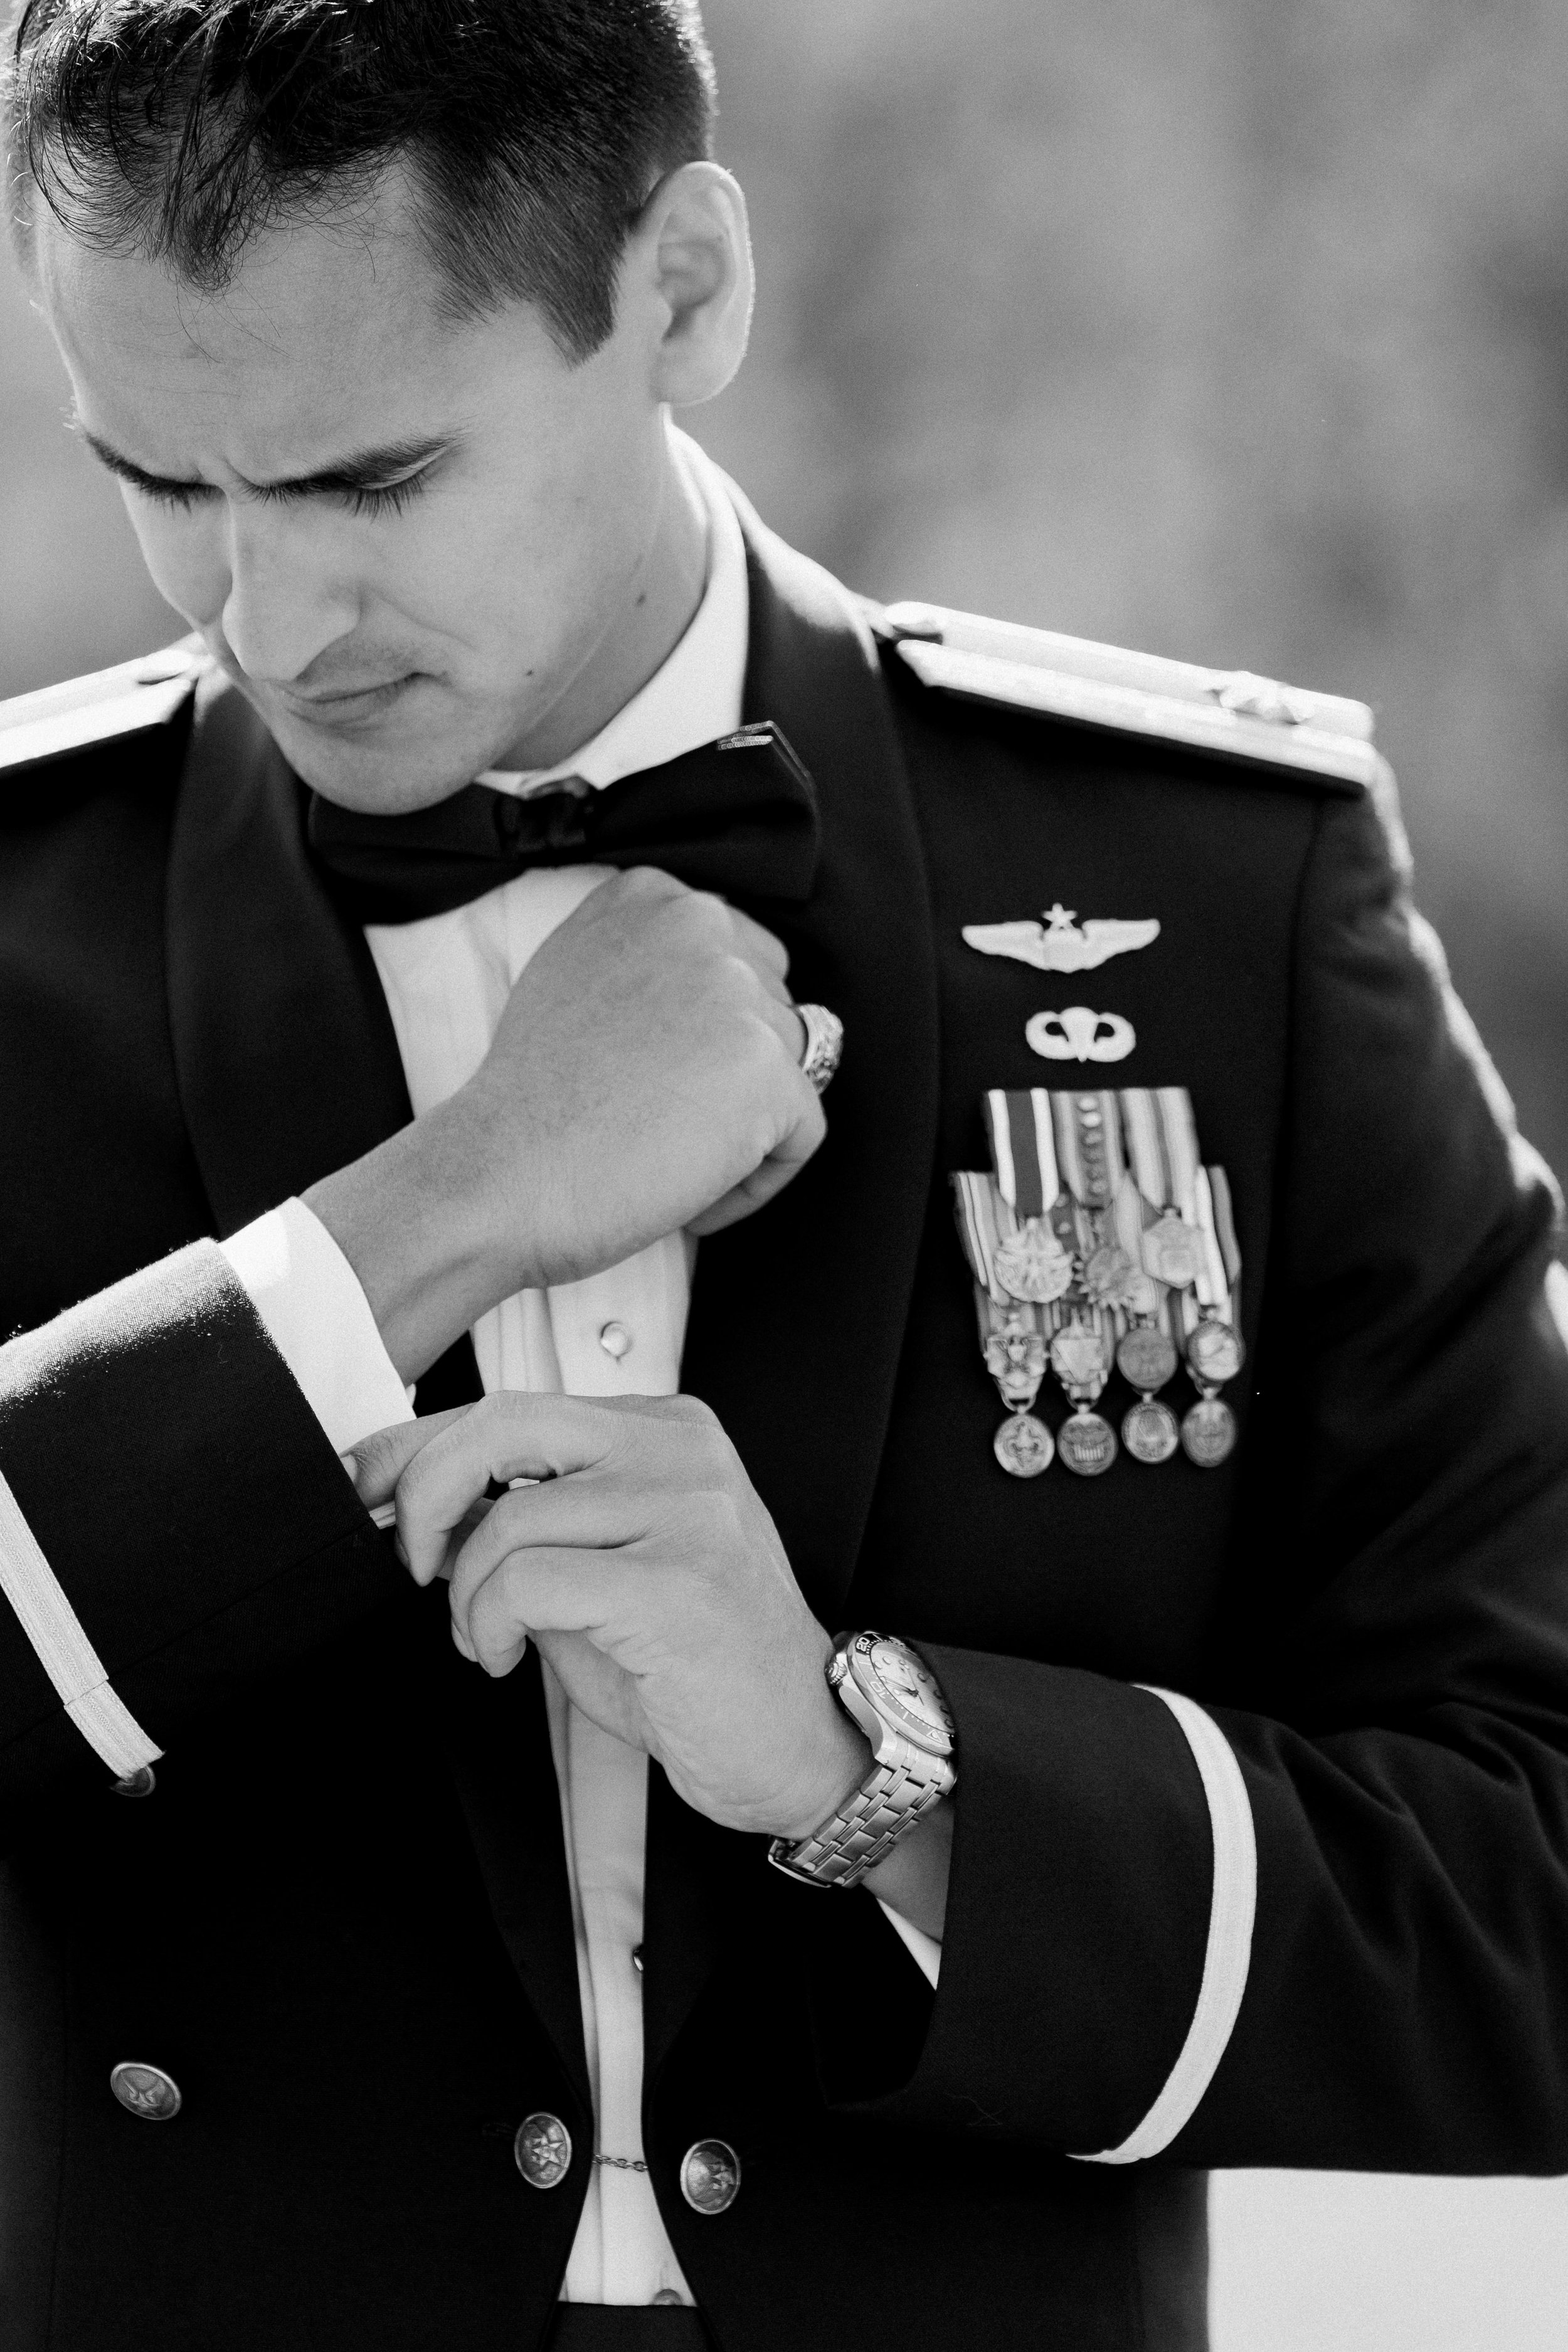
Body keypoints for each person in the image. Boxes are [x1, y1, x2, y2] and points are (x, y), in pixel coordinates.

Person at [2, 4, 1567, 2347]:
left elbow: (1530, 1889)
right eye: (162, 477)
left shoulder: (1216, 894)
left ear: (686, 293)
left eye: (368, 484)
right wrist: (432, 1215)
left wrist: (873, 1759)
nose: (261, 617)